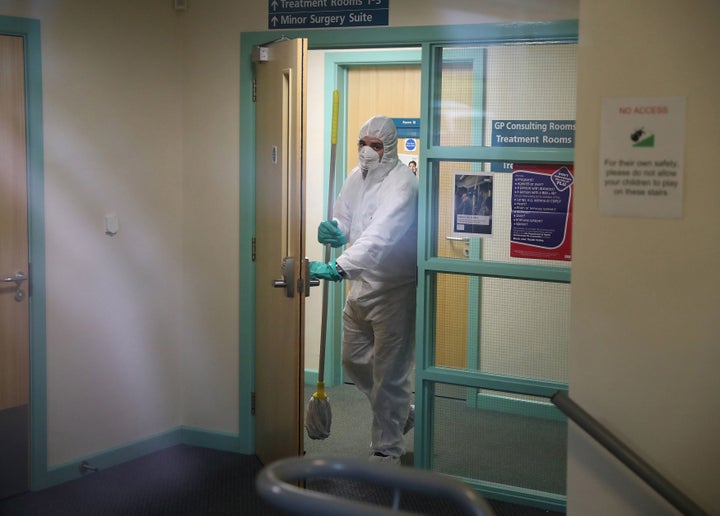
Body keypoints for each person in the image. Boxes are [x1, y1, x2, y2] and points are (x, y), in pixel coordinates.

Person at [309, 115, 418, 465]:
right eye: (363, 143)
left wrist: (338, 266)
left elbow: (380, 237)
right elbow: (345, 215)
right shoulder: (357, 177)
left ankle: (387, 451)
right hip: (359, 287)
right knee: (352, 360)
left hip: (392, 291)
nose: (368, 151)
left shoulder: (404, 184)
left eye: (376, 145)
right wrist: (336, 229)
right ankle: (400, 412)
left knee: (389, 372)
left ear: (389, 147)